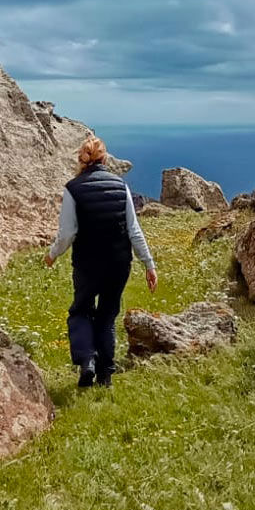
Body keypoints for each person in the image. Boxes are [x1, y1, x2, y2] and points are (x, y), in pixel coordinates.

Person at [44, 135, 157, 388]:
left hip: (87, 264)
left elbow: (67, 234)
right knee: (107, 315)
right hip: (118, 264)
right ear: (104, 159)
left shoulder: (73, 188)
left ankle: (87, 361)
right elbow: (134, 230)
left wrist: (52, 255)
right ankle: (106, 375)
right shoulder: (121, 186)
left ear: (81, 159)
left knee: (81, 311)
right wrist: (149, 265)